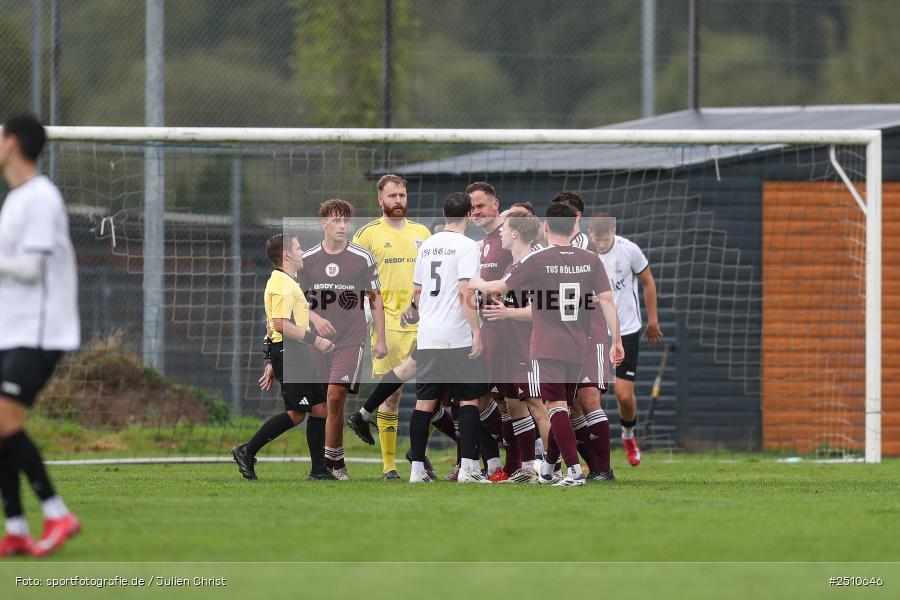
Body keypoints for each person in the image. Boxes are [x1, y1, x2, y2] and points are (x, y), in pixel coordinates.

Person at [471, 202, 622, 487]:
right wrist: (617, 340)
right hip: (578, 344)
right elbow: (606, 300)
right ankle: (549, 469)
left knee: (556, 409)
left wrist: (475, 281)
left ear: (547, 226)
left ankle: (574, 472)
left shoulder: (537, 259)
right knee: (562, 408)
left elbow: (498, 288)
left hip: (548, 345)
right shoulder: (590, 259)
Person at [0, 114, 82, 557]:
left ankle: (56, 512)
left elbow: (31, 269)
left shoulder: (41, 197)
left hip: (42, 332)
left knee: (4, 423)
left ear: (12, 142)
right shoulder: (14, 200)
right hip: (12, 331)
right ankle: (16, 526)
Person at [232, 233, 335, 481]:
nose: (302, 252)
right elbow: (279, 324)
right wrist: (315, 340)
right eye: (298, 248)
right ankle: (247, 451)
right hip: (290, 352)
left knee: (320, 408)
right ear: (287, 255)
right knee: (297, 413)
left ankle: (318, 471)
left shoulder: (288, 281)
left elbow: (270, 327)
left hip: (294, 351)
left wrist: (270, 361)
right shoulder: (280, 283)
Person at [348, 175, 431, 480]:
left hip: (425, 324)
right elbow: (356, 282)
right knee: (392, 395)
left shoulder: (422, 233)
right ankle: (389, 466)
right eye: (392, 196)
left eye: (402, 195)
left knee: (435, 395)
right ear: (380, 199)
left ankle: (417, 453)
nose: (398, 201)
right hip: (389, 326)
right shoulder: (367, 235)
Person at [300, 199, 387, 480]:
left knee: (335, 396)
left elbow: (376, 300)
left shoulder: (362, 257)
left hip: (351, 339)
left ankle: (331, 463)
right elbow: (297, 301)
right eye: (336, 220)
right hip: (316, 341)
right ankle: (335, 461)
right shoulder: (309, 258)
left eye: (345, 221)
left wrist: (381, 339)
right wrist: (315, 319)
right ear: (323, 223)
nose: (342, 226)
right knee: (321, 404)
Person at [404, 193, 488, 483]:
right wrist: (477, 332)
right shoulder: (467, 246)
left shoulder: (427, 245)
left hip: (429, 335)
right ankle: (469, 469)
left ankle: (417, 470)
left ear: (445, 213)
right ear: (468, 215)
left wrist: (423, 314)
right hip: (457, 334)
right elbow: (466, 292)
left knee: (424, 403)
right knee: (468, 401)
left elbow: (417, 294)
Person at [550, 191, 617, 480]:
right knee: (572, 405)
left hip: (591, 333)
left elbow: (591, 295)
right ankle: (594, 467)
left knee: (589, 399)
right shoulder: (557, 246)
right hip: (568, 334)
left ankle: (603, 468)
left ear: (576, 216)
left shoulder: (583, 247)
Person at [588, 214, 662, 466]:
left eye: (605, 238)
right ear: (590, 233)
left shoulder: (629, 250)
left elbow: (648, 282)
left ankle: (628, 437)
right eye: (597, 239)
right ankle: (592, 453)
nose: (601, 244)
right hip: (595, 330)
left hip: (627, 330)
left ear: (613, 231)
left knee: (624, 395)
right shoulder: (584, 253)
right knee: (591, 396)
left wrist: (653, 320)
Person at [480, 209, 546, 483]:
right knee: (513, 404)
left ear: (516, 232)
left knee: (538, 405)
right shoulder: (514, 265)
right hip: (510, 345)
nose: (501, 232)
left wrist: (473, 283)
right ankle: (527, 467)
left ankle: (556, 468)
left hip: (527, 346)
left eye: (505, 227)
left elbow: (540, 309)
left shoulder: (533, 262)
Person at [467, 181, 512, 481]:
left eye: (481, 205)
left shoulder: (510, 235)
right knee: (481, 398)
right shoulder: (479, 244)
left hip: (510, 331)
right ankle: (498, 463)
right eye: (472, 208)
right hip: (487, 329)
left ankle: (530, 457)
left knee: (511, 401)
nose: (476, 212)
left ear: (496, 204)